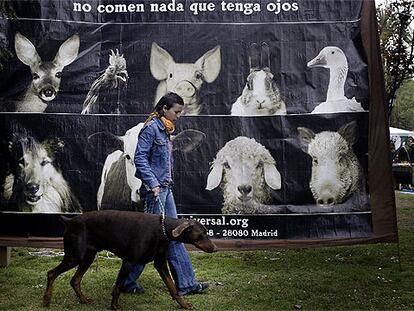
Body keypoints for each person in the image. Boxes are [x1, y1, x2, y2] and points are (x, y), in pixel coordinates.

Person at [116, 92, 208, 295]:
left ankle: (186, 284)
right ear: (164, 109)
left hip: (165, 188)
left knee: (176, 235)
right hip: (156, 191)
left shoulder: (165, 128)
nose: (179, 115)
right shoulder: (151, 128)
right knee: (145, 240)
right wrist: (153, 184)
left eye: (180, 111)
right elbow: (139, 158)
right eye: (176, 111)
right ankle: (125, 283)